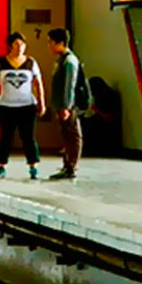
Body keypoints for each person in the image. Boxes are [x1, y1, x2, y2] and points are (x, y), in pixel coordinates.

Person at [0, 32, 45, 180]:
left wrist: (42, 102)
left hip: (27, 106)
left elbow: (38, 84)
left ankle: (33, 167)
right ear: (10, 46)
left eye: (22, 45)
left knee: (28, 137)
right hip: (6, 106)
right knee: (6, 137)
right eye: (16, 45)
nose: (20, 48)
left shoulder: (31, 62)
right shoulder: (0, 62)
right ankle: (1, 166)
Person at [48, 28, 87, 181]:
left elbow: (69, 85)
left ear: (61, 43)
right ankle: (67, 165)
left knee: (73, 135)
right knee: (67, 135)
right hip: (62, 106)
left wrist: (66, 106)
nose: (49, 45)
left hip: (68, 107)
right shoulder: (61, 59)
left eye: (51, 42)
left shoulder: (70, 61)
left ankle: (71, 166)